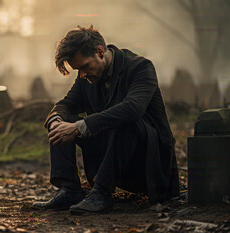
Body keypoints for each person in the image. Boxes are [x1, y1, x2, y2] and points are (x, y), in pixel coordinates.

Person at [32, 26, 180, 214]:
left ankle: (101, 193)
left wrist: (79, 127)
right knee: (62, 119)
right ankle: (69, 190)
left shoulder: (141, 67)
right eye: (79, 70)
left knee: (126, 119)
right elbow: (66, 104)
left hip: (148, 164)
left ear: (100, 52)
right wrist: (55, 121)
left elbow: (133, 109)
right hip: (113, 159)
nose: (82, 74)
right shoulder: (86, 76)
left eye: (85, 67)